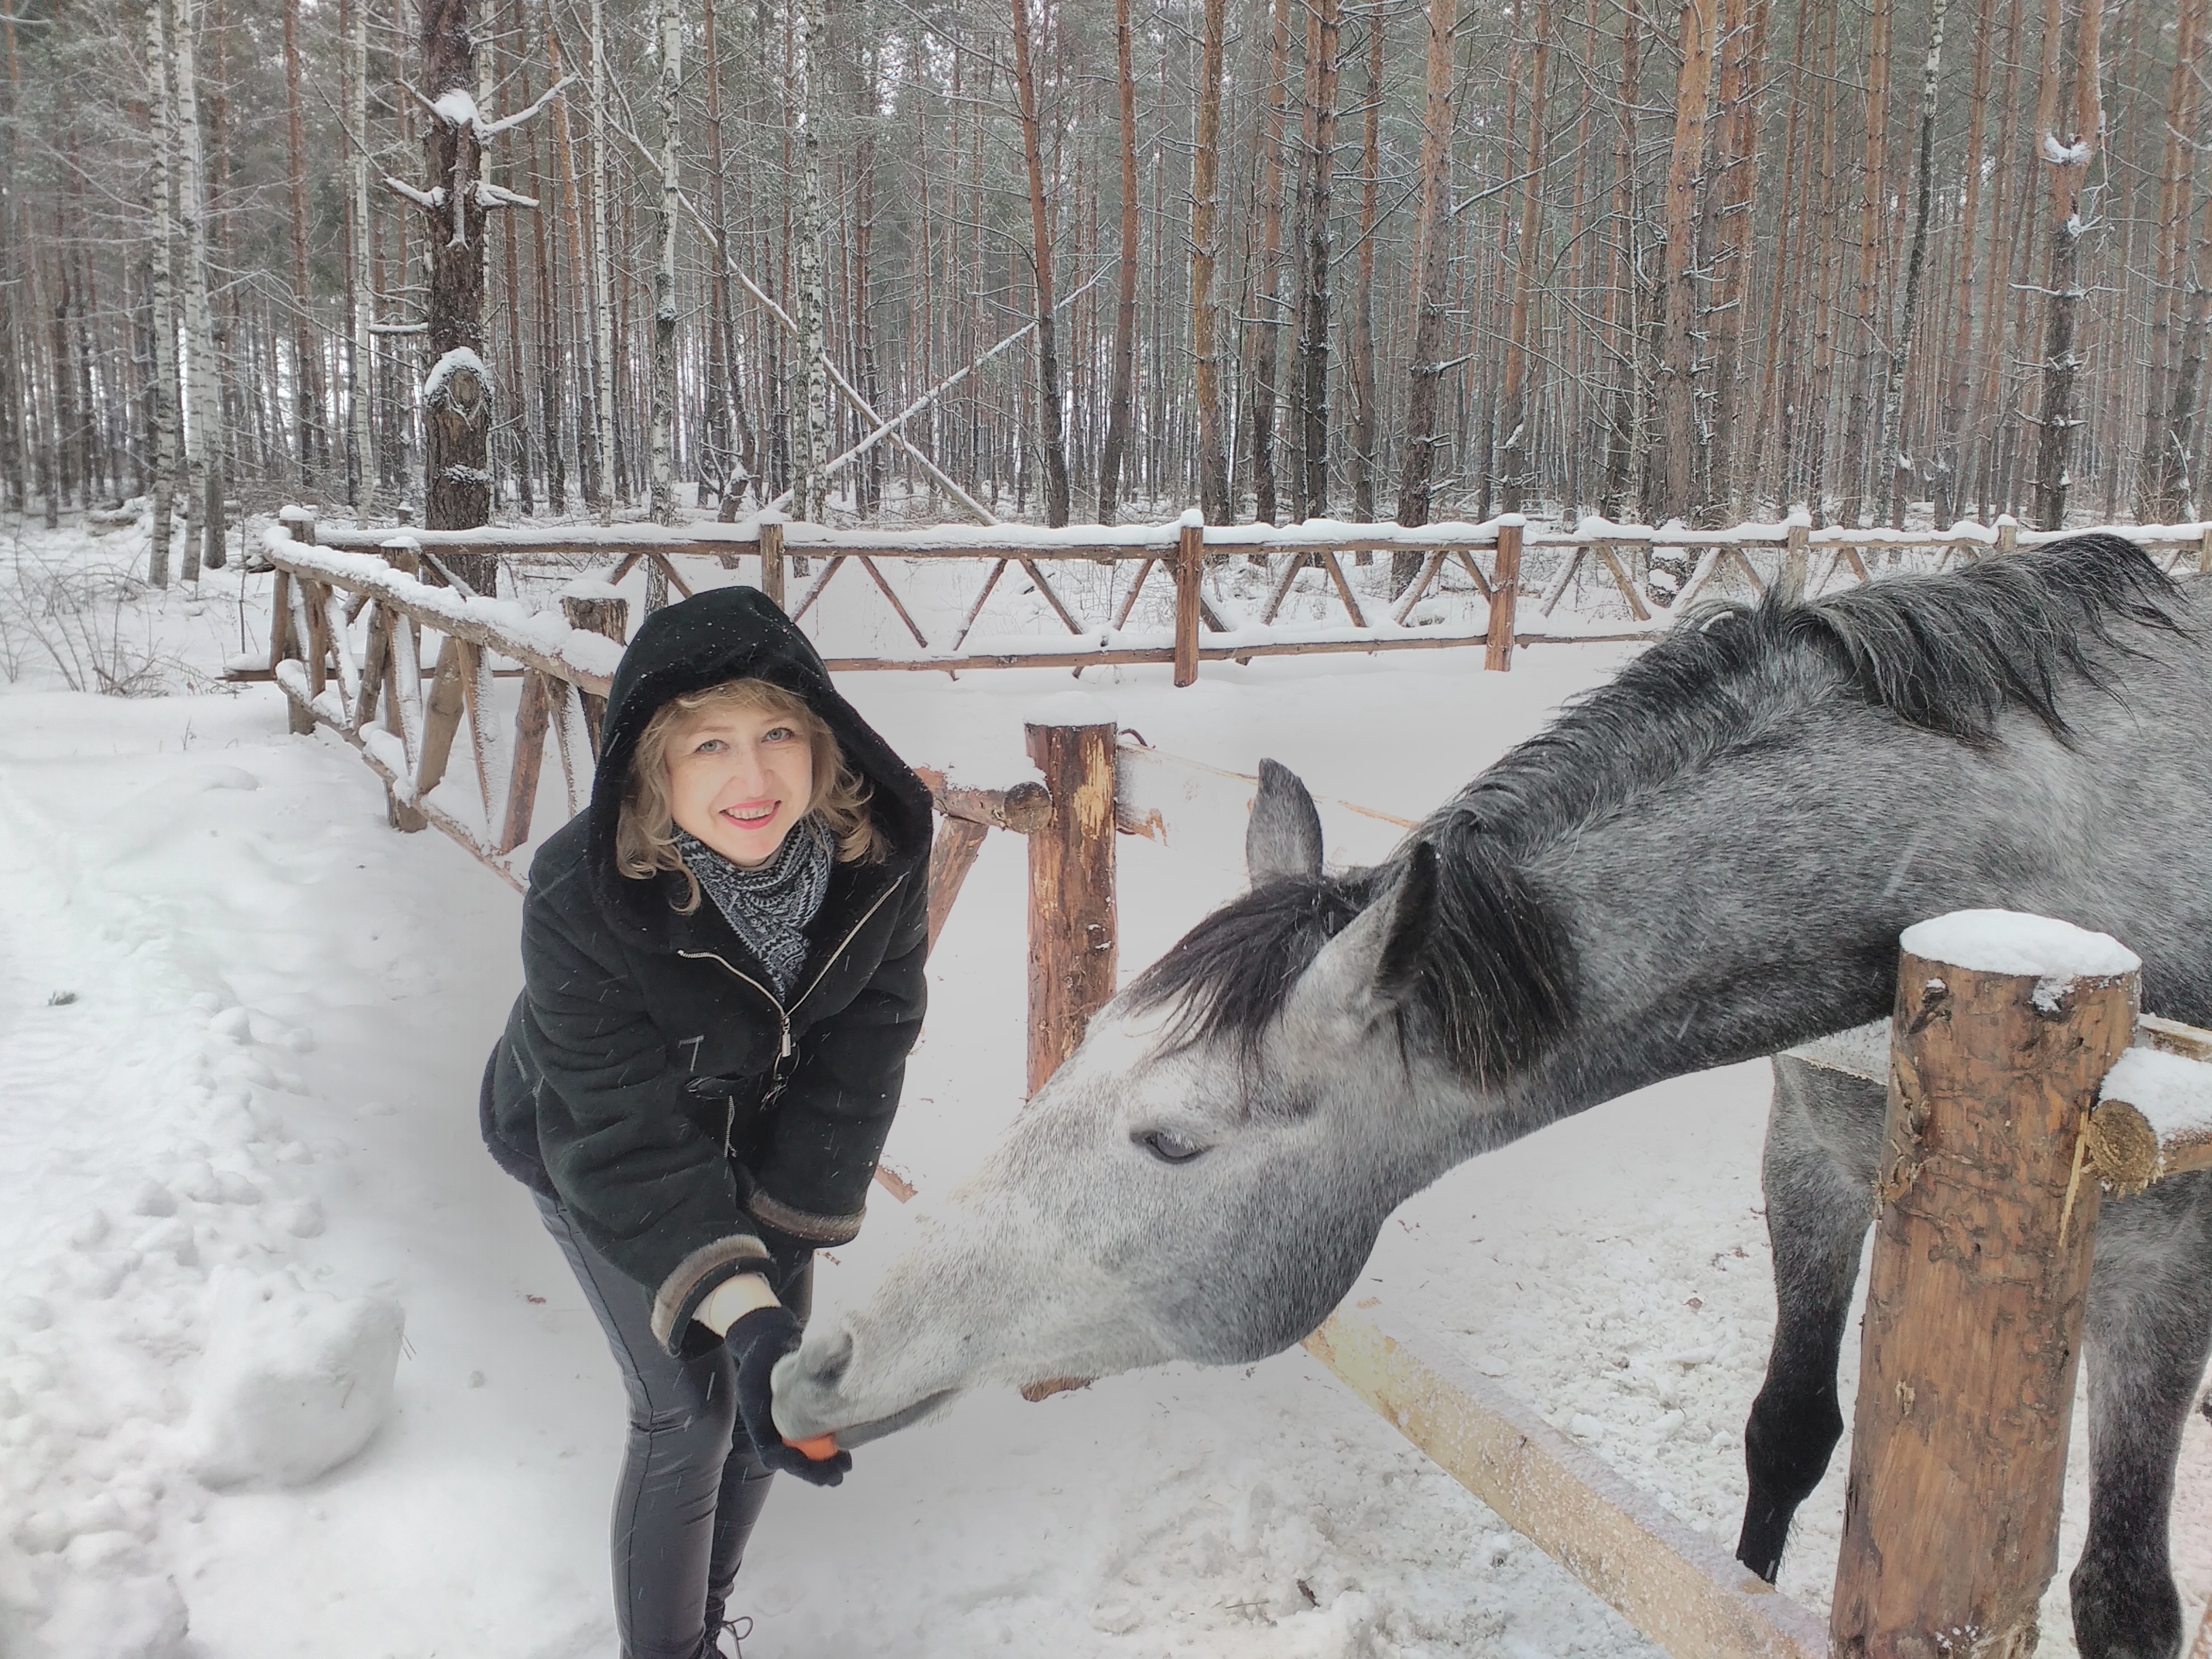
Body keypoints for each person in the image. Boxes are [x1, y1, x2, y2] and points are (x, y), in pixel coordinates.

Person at [480, 586, 933, 1659]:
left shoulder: (876, 864)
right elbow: (618, 1134)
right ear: (653, 768)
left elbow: (871, 1037)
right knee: (688, 1412)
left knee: (765, 1397)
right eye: (710, 745)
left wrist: (788, 1231)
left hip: (766, 1154)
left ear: (825, 743)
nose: (753, 777)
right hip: (594, 1148)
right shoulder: (582, 897)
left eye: (780, 733)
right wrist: (739, 1300)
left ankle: (704, 1606)